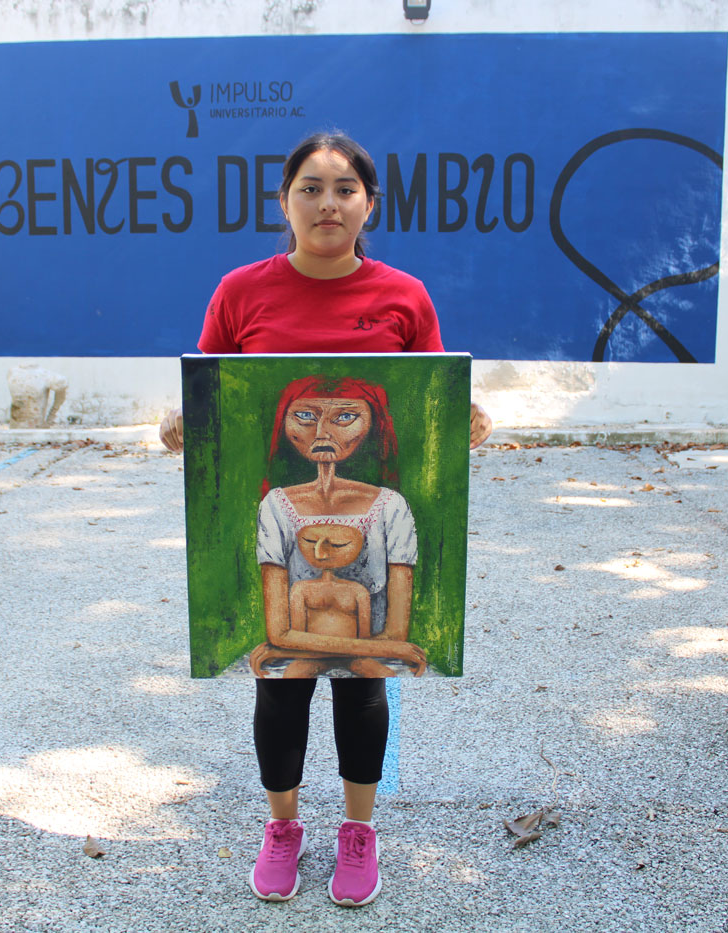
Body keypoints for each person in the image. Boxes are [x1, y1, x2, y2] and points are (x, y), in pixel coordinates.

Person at [159, 131, 492, 908]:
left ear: (369, 203)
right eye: (310, 187)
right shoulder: (240, 292)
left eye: (345, 188)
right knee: (279, 688)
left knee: (363, 686)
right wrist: (181, 423)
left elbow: (430, 400)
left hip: (374, 532)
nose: (328, 203)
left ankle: (358, 831)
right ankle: (282, 828)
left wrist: (467, 419)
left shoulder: (405, 297)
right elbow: (212, 392)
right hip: (276, 525)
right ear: (284, 202)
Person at [249, 375, 429, 680]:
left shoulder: (391, 507)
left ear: (373, 424)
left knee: (375, 700)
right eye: (304, 416)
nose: (322, 432)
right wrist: (386, 649)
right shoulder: (276, 506)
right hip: (333, 655)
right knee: (283, 697)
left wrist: (295, 648)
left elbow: (396, 632)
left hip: (343, 658)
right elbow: (278, 631)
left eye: (345, 417)